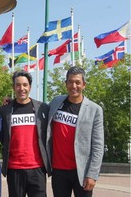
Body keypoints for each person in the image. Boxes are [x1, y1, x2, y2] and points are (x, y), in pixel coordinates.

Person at [46, 66, 104, 197]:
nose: (74, 86)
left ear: (84, 85)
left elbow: (98, 146)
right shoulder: (56, 102)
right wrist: (12, 103)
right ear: (66, 84)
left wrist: (92, 174)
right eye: (70, 82)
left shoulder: (95, 110)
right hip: (59, 171)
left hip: (82, 172)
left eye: (77, 82)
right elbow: (37, 110)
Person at [0, 70, 50, 197]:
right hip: (14, 169)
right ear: (14, 87)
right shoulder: (5, 109)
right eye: (18, 85)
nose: (22, 88)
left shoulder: (42, 108)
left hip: (37, 168)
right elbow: (1, 135)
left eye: (25, 85)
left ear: (30, 87)